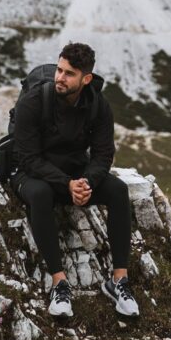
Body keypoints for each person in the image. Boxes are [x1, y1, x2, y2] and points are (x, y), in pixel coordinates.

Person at [10, 42, 139, 319]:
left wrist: (86, 183)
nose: (60, 77)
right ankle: (59, 283)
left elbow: (104, 154)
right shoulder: (32, 102)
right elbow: (27, 158)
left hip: (74, 172)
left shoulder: (98, 105)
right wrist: (67, 184)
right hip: (31, 173)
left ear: (86, 79)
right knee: (41, 195)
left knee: (118, 190)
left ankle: (119, 280)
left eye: (69, 73)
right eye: (59, 70)